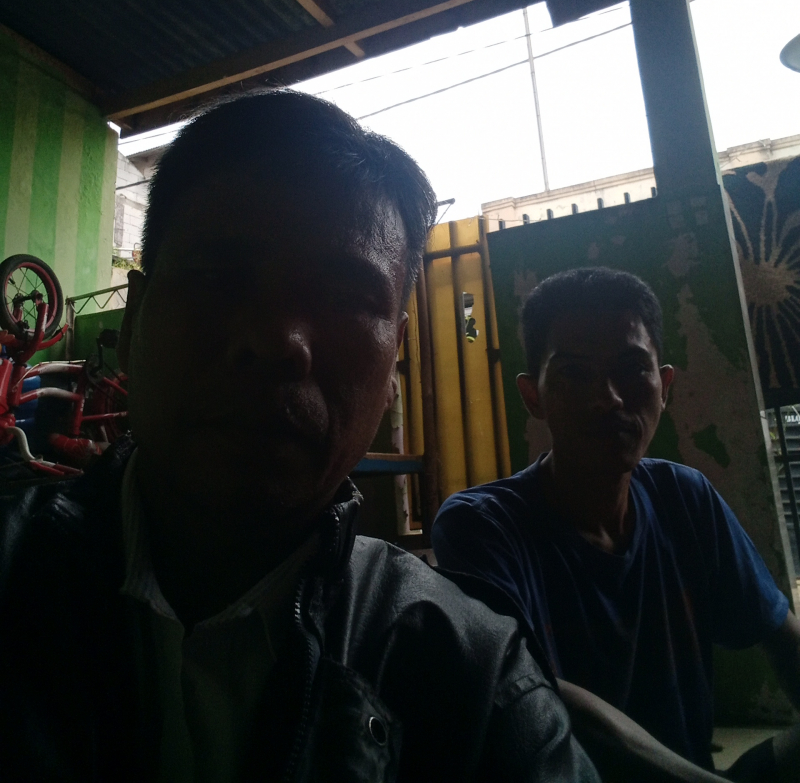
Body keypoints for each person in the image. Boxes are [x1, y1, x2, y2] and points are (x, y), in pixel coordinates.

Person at [0, 91, 598, 783]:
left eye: (346, 298)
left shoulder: (477, 684)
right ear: (133, 320)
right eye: (219, 278)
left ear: (393, 362)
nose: (277, 340)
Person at [432, 267, 800, 781]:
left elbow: (782, 638)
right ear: (533, 397)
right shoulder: (482, 526)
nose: (607, 398)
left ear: (664, 386)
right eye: (573, 374)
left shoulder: (684, 498)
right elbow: (539, 699)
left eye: (631, 369)